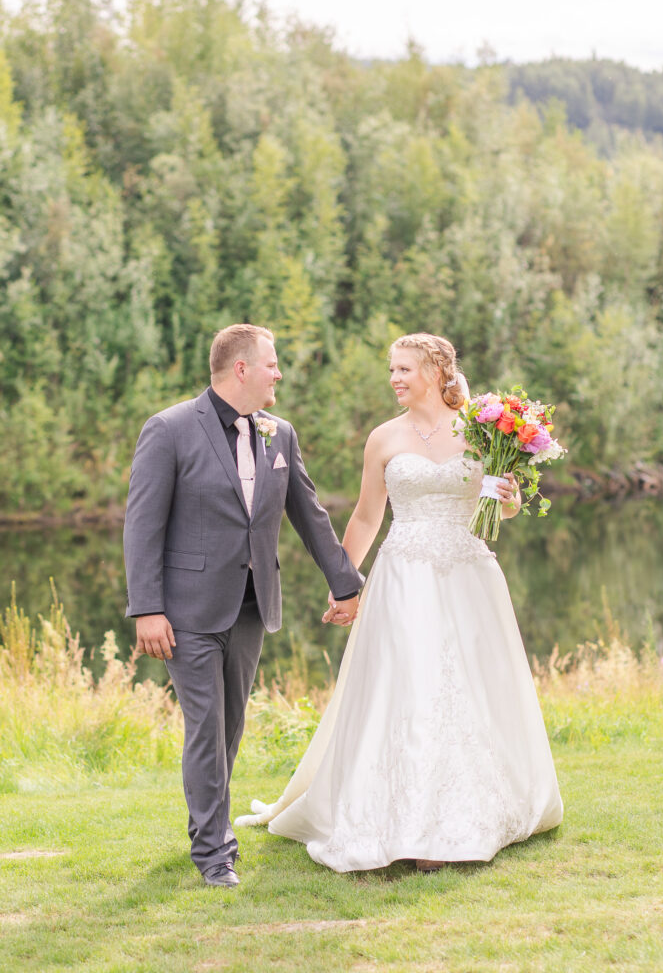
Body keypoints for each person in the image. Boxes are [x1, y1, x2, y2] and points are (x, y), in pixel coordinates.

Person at [236, 332, 563, 872]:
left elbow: (500, 510)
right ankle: (406, 820)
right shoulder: (383, 438)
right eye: (392, 370)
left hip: (468, 578)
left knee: (469, 690)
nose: (394, 379)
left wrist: (508, 498)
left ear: (435, 372)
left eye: (404, 369)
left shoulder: (482, 433)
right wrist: (342, 581)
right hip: (404, 577)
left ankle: (460, 814)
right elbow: (367, 516)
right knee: (411, 687)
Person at [123, 323, 363, 888]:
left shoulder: (279, 434)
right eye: (272, 363)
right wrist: (146, 609)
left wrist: (347, 583)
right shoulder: (170, 429)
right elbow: (142, 525)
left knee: (228, 729)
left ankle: (207, 829)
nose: (279, 373)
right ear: (241, 369)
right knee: (206, 727)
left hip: (252, 606)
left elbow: (308, 514)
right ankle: (214, 853)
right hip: (185, 610)